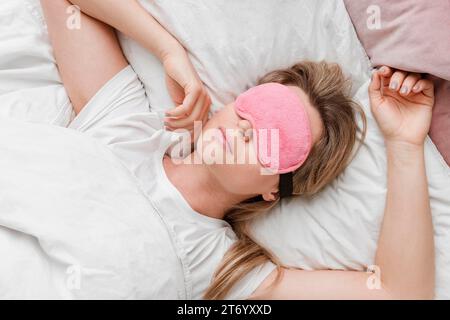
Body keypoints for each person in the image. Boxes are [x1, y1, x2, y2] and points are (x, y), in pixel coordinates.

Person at [40, 0, 435, 299]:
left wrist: (405, 144)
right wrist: (167, 50)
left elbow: (399, 293)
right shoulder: (127, 124)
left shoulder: (220, 267)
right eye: (253, 110)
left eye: (275, 137)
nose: (248, 130)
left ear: (272, 189)